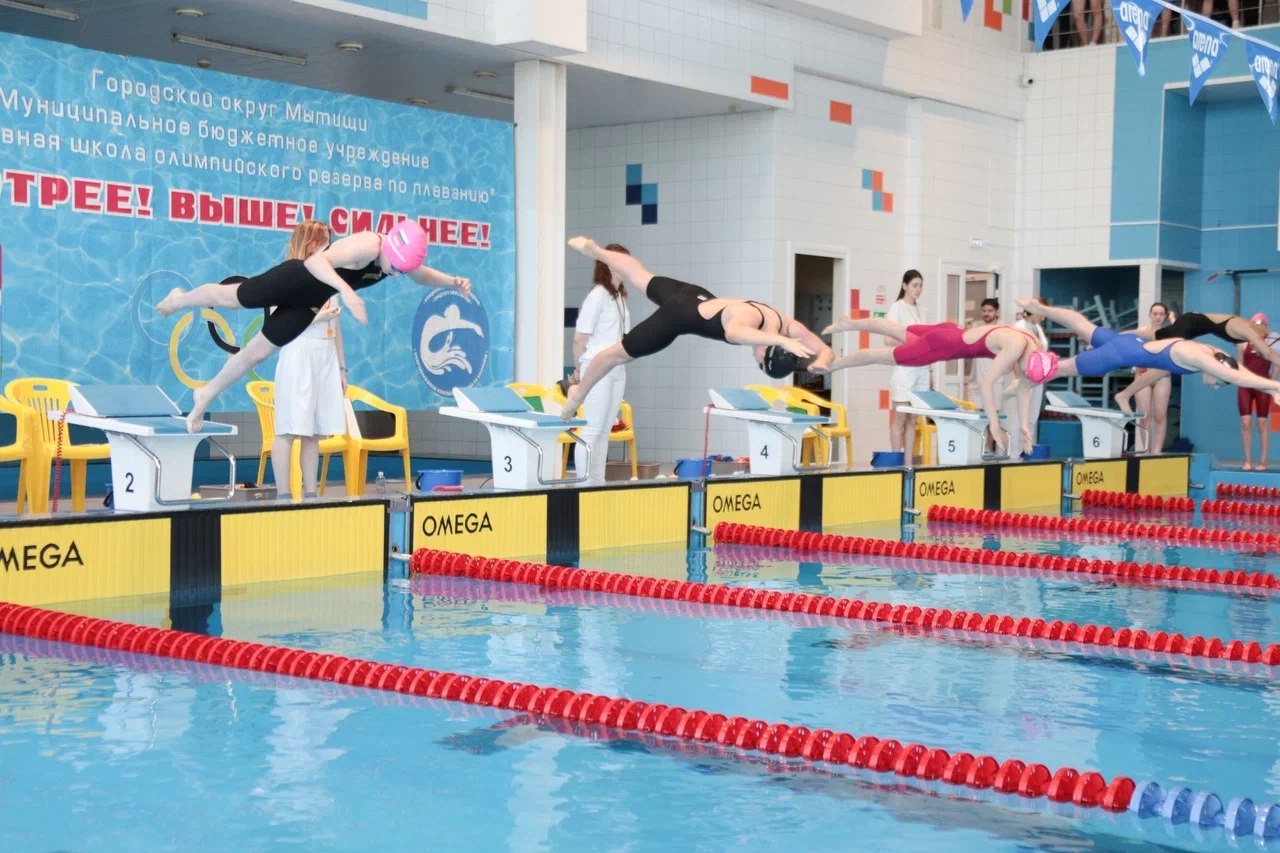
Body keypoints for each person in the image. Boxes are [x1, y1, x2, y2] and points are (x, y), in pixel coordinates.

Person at [156, 220, 471, 432]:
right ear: (389, 247)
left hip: (310, 302)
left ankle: (205, 395)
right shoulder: (367, 245)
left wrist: (453, 282)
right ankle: (179, 299)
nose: (396, 274)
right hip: (294, 279)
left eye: (402, 270)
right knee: (231, 298)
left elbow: (421, 275)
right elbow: (314, 262)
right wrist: (347, 292)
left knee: (257, 354)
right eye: (396, 267)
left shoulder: (399, 261)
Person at [560, 236, 834, 418]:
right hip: (678, 315)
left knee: (638, 274)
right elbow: (735, 333)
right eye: (760, 364)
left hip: (693, 293)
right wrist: (781, 341)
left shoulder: (786, 324)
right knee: (614, 355)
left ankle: (598, 252)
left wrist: (821, 360)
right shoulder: (750, 323)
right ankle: (577, 395)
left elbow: (825, 350)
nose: (756, 360)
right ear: (768, 351)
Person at [823, 315, 1049, 455]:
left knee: (894, 328)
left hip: (950, 330)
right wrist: (995, 425)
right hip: (942, 346)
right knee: (881, 356)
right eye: (1022, 372)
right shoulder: (1015, 347)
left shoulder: (1033, 343)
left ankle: (848, 323)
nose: (1020, 375)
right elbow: (986, 383)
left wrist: (1024, 427)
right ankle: (836, 364)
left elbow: (1024, 387)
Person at [1014, 298, 1280, 412]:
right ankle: (1026, 374)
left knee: (1084, 325)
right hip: (1120, 355)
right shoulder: (1200, 359)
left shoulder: (1213, 350)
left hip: (1131, 344)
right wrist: (1275, 387)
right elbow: (1237, 377)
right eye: (1219, 383)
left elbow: (1238, 372)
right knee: (1061, 369)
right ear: (1217, 371)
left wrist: (1270, 389)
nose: (1214, 385)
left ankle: (1041, 309)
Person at [273, 220, 346, 500]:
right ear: (309, 242)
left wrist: (342, 368)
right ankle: (283, 494)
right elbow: (278, 320)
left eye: (329, 240)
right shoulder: (287, 276)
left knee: (314, 431)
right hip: (299, 352)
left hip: (325, 355)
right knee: (288, 428)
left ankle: (311, 494)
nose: (328, 245)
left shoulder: (331, 277)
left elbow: (337, 328)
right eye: (323, 240)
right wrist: (315, 317)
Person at [569, 243, 632, 486]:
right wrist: (579, 371)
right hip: (597, 368)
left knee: (605, 430)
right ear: (609, 265)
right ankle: (583, 484)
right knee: (592, 429)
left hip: (617, 368)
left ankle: (598, 482)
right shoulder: (597, 296)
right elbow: (580, 338)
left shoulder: (620, 298)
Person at [884, 270, 928, 457]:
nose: (918, 289)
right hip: (904, 369)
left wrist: (931, 372)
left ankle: (908, 463)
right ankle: (896, 460)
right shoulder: (897, 307)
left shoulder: (922, 310)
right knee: (899, 418)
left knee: (913, 419)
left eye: (920, 286)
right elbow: (888, 340)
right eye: (914, 285)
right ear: (904, 286)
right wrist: (911, 341)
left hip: (922, 368)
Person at [1146, 310, 1280, 366]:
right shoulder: (1251, 331)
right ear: (1263, 341)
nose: (1256, 352)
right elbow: (1268, 353)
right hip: (1190, 324)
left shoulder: (1258, 328)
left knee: (1156, 338)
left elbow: (1269, 348)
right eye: (1258, 349)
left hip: (1192, 325)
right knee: (1155, 340)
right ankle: (1135, 336)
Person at [1128, 302, 1172, 453]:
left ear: (1165, 316)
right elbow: (1130, 350)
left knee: (1160, 415)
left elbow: (1182, 340)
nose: (1158, 317)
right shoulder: (1141, 332)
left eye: (1161, 314)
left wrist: (1173, 320)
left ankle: (1156, 451)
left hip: (1162, 376)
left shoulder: (1169, 333)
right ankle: (1146, 451)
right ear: (1149, 315)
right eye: (1155, 314)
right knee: (1145, 416)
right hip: (1143, 375)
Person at [1237, 313, 1280, 470]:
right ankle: (1247, 461)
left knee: (1262, 423)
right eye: (1255, 324)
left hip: (1262, 386)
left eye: (1261, 325)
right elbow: (1239, 366)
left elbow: (1277, 363)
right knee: (1245, 422)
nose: (1258, 327)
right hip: (1245, 386)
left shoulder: (1271, 344)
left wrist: (1271, 380)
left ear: (1266, 327)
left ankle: (1263, 461)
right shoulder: (1242, 343)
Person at [1014, 300, 1051, 449]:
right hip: (1023, 376)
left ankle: (1027, 452)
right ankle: (1014, 456)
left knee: (1032, 418)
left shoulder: (1037, 327)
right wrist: (1018, 377)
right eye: (1042, 313)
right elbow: (1014, 355)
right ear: (1034, 311)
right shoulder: (1019, 327)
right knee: (1018, 418)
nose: (1044, 317)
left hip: (1037, 377)